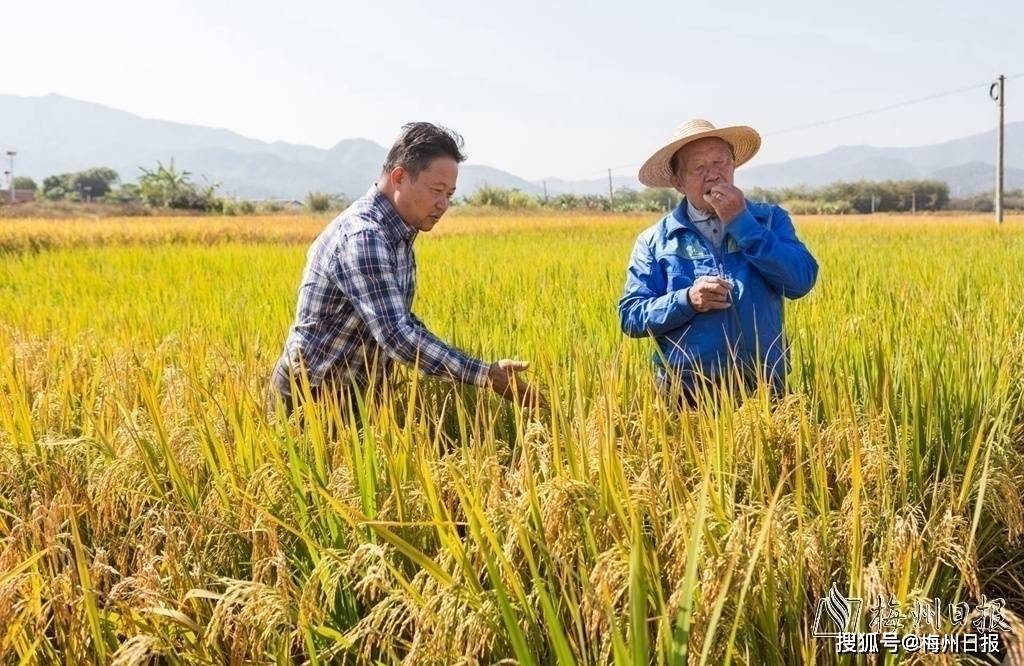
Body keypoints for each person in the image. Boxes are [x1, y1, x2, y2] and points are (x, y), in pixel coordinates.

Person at [269, 122, 543, 416]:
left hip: (354, 393)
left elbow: (399, 318)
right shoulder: (365, 236)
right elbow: (397, 336)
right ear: (399, 177)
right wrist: (485, 374)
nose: (443, 204)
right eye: (437, 190)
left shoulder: (398, 232)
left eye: (449, 195)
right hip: (310, 397)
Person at [618, 119, 818, 405]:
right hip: (686, 393)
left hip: (762, 387)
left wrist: (743, 224)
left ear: (733, 166)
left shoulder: (769, 220)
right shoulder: (656, 241)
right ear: (677, 182)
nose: (713, 175)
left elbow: (801, 281)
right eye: (698, 168)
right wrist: (687, 299)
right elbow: (632, 316)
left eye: (720, 163)